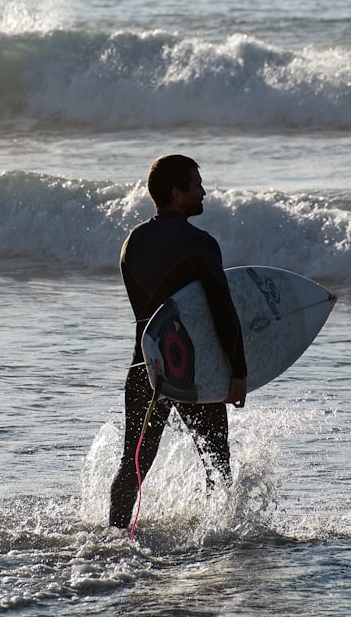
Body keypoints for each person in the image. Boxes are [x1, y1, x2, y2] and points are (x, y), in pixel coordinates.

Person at [109, 154, 248, 530]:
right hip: (195, 370)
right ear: (176, 193)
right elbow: (222, 311)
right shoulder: (200, 243)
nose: (203, 192)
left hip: (145, 366)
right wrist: (238, 373)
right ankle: (218, 541)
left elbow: (150, 312)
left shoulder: (132, 242)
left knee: (133, 464)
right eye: (196, 185)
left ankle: (116, 538)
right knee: (217, 462)